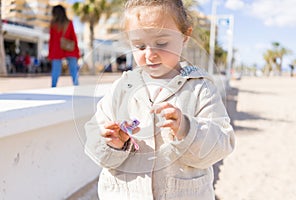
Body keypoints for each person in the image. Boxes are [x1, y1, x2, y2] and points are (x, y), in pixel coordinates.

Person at [84, 0, 235, 199]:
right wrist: (112, 143)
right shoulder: (122, 88)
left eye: (161, 43)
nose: (150, 54)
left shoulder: (200, 87)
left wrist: (187, 129)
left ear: (185, 36)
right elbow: (95, 142)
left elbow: (222, 143)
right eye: (139, 46)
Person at [48, 5, 80, 87]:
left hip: (56, 50)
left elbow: (51, 40)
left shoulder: (53, 24)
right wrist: (77, 52)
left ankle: (53, 87)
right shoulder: (69, 22)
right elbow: (74, 37)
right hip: (69, 48)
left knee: (55, 71)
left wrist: (50, 53)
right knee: (73, 70)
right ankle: (76, 86)